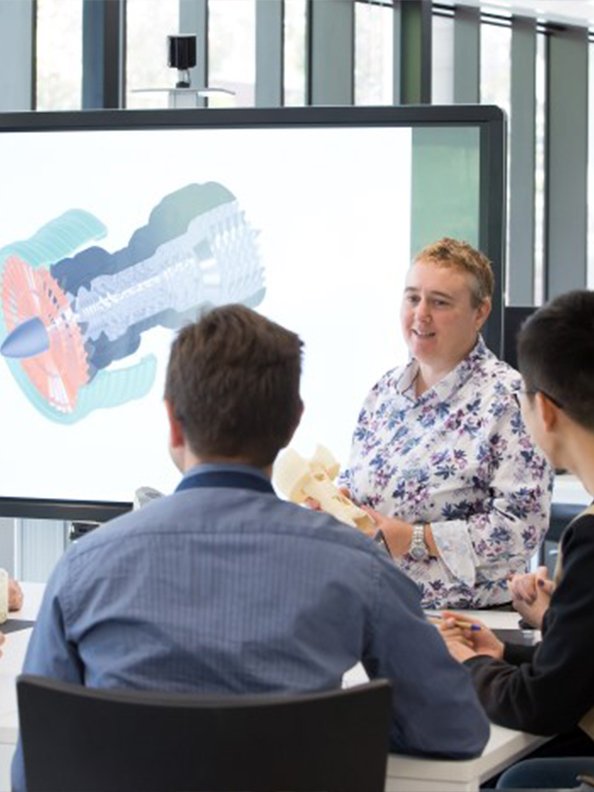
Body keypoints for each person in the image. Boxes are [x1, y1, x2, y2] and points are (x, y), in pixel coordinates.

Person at [12, 304, 489, 791]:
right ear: (291, 426)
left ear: (173, 423)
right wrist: (330, 733)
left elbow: (34, 772)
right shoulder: (356, 566)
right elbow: (454, 729)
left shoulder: (81, 571)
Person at [340, 238, 553, 609]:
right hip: (368, 606)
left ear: (480, 313)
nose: (420, 314)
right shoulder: (383, 392)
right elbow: (357, 489)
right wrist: (335, 508)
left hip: (462, 625)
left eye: (439, 302)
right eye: (412, 298)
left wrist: (416, 538)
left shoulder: (509, 399)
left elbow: (520, 530)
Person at [439, 290, 594, 783]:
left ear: (544, 411)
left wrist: (465, 663)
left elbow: (541, 705)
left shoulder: (589, 541)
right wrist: (505, 654)